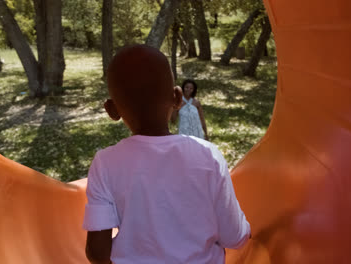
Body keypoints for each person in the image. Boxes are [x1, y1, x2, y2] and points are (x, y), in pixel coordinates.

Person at [82, 44, 251, 264]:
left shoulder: (104, 163)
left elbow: (97, 253)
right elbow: (235, 237)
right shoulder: (208, 155)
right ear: (177, 97)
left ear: (112, 110)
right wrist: (247, 231)